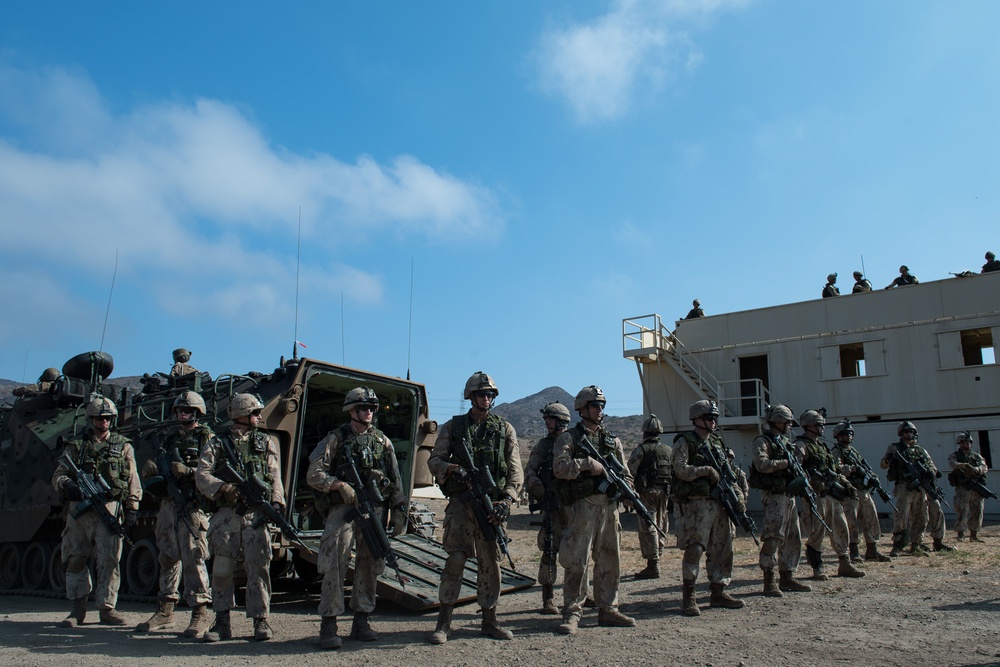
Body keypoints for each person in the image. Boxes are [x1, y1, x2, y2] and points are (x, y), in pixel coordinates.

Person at [307, 387, 407, 649]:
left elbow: (395, 480)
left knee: (371, 562)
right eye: (364, 408)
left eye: (372, 408)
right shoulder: (335, 439)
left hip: (373, 509)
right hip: (343, 510)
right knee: (333, 564)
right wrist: (339, 485)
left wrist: (398, 510)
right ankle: (329, 623)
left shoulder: (382, 441)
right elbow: (314, 473)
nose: (369, 412)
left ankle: (362, 619)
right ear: (351, 410)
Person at [427, 372, 522, 644]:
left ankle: (489, 619)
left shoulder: (504, 429)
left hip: (491, 505)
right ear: (471, 396)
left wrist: (508, 500)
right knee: (456, 559)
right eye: (481, 394)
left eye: (490, 394)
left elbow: (516, 471)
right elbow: (435, 461)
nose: (486, 398)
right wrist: (455, 469)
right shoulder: (453, 427)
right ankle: (444, 621)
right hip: (461, 504)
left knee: (491, 561)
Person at [196, 393, 285, 642]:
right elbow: (202, 475)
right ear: (241, 415)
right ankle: (222, 622)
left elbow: (274, 475)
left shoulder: (265, 441)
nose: (259, 417)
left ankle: (261, 621)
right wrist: (225, 487)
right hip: (226, 516)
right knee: (223, 568)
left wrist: (277, 502)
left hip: (255, 514)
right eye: (255, 413)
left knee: (259, 567)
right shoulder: (217, 443)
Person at [552, 385, 635, 634]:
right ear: (582, 409)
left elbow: (625, 473)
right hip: (583, 507)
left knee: (610, 558)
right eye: (595, 405)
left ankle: (608, 609)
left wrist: (629, 490)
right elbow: (559, 468)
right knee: (577, 561)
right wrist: (586, 463)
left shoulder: (613, 440)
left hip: (609, 508)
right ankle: (572, 612)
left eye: (602, 406)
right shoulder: (569, 439)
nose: (600, 410)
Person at [52, 397, 141, 627]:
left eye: (108, 418)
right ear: (90, 420)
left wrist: (132, 506)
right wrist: (66, 485)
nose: (104, 422)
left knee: (109, 559)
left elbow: (133, 479)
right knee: (75, 558)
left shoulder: (123, 445)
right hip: (79, 511)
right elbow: (58, 475)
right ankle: (77, 609)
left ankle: (106, 608)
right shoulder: (76, 446)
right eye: (99, 418)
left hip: (108, 507)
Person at [136, 391, 214, 637]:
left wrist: (189, 471)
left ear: (197, 413)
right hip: (169, 504)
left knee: (193, 557)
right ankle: (166, 609)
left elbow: (216, 470)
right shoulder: (169, 439)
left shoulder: (208, 438)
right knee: (168, 556)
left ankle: (200, 612)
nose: (183, 413)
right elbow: (164, 466)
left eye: (188, 410)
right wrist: (153, 469)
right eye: (180, 410)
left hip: (192, 504)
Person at [672, 399, 744, 616]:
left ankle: (718, 590)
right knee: (695, 548)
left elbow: (728, 473)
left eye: (715, 418)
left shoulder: (717, 443)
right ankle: (689, 597)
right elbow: (680, 469)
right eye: (709, 418)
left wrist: (738, 495)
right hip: (697, 504)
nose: (713, 422)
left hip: (719, 503)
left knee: (723, 547)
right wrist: (705, 471)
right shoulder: (685, 441)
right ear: (697, 419)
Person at [795, 409, 865, 580]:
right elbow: (797, 470)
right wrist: (812, 483)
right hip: (815, 495)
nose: (822, 428)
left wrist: (846, 483)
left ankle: (845, 562)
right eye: (818, 425)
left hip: (832, 495)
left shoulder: (822, 446)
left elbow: (833, 470)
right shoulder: (801, 445)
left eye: (822, 425)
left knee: (841, 527)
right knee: (816, 531)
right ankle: (817, 567)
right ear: (808, 426)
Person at [750, 404, 811, 597]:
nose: (790, 426)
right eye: (787, 422)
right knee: (773, 536)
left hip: (789, 495)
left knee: (793, 536)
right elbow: (761, 464)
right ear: (777, 421)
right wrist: (785, 463)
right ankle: (769, 580)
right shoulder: (763, 441)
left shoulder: (786, 442)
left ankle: (788, 575)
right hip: (774, 496)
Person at [523, 401, 572, 614]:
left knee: (578, 549)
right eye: (546, 420)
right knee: (549, 548)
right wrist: (539, 489)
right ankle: (548, 596)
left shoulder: (575, 442)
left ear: (561, 421)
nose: (547, 423)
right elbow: (530, 472)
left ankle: (578, 593)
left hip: (573, 503)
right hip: (552, 504)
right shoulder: (543, 446)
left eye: (550, 420)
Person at [881, 421, 954, 556]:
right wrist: (888, 459)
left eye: (911, 432)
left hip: (919, 487)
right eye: (906, 432)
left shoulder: (921, 450)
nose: (909, 434)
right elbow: (883, 465)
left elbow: (931, 464)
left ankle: (916, 544)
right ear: (901, 434)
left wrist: (931, 472)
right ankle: (898, 544)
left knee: (920, 515)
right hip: (904, 486)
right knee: (901, 515)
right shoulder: (894, 448)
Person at [830, 420, 891, 563]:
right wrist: (853, 470)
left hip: (863, 491)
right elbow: (837, 469)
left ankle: (872, 549)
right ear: (839, 435)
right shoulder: (836, 451)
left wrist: (872, 477)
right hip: (849, 491)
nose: (849, 436)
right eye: (846, 433)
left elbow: (865, 467)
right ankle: (854, 551)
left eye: (851, 433)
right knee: (851, 522)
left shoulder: (853, 451)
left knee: (870, 518)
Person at [626, 414, 672, 579]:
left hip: (647, 493)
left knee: (648, 526)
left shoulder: (641, 449)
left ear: (645, 431)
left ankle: (653, 564)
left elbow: (629, 471)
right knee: (661, 523)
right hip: (665, 492)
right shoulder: (668, 450)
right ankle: (657, 557)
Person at [947, 431, 989, 542]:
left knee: (978, 510)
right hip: (963, 487)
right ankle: (961, 533)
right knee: (962, 509)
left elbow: (984, 467)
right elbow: (952, 464)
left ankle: (974, 534)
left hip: (976, 487)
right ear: (960, 443)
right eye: (966, 442)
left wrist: (976, 469)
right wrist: (965, 466)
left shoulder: (976, 456)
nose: (968, 444)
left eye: (970, 442)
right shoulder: (955, 455)